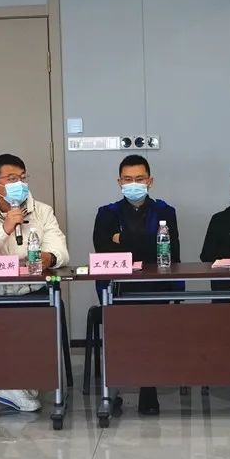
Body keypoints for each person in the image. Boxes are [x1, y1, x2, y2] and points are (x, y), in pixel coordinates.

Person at [0, 153, 69, 412]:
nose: (20, 183)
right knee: (5, 322)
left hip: (33, 291)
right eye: (11, 178)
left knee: (36, 318)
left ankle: (18, 382)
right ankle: (13, 384)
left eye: (23, 178)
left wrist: (49, 257)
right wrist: (4, 229)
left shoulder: (42, 211)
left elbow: (61, 251)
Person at [93, 154, 181, 415]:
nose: (134, 184)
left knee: (149, 315)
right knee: (126, 317)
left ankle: (148, 385)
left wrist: (123, 239)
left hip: (156, 287)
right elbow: (103, 251)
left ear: (150, 181)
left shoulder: (165, 212)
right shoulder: (107, 213)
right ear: (119, 182)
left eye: (139, 178)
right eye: (128, 179)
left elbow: (171, 253)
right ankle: (115, 388)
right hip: (120, 287)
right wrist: (146, 241)